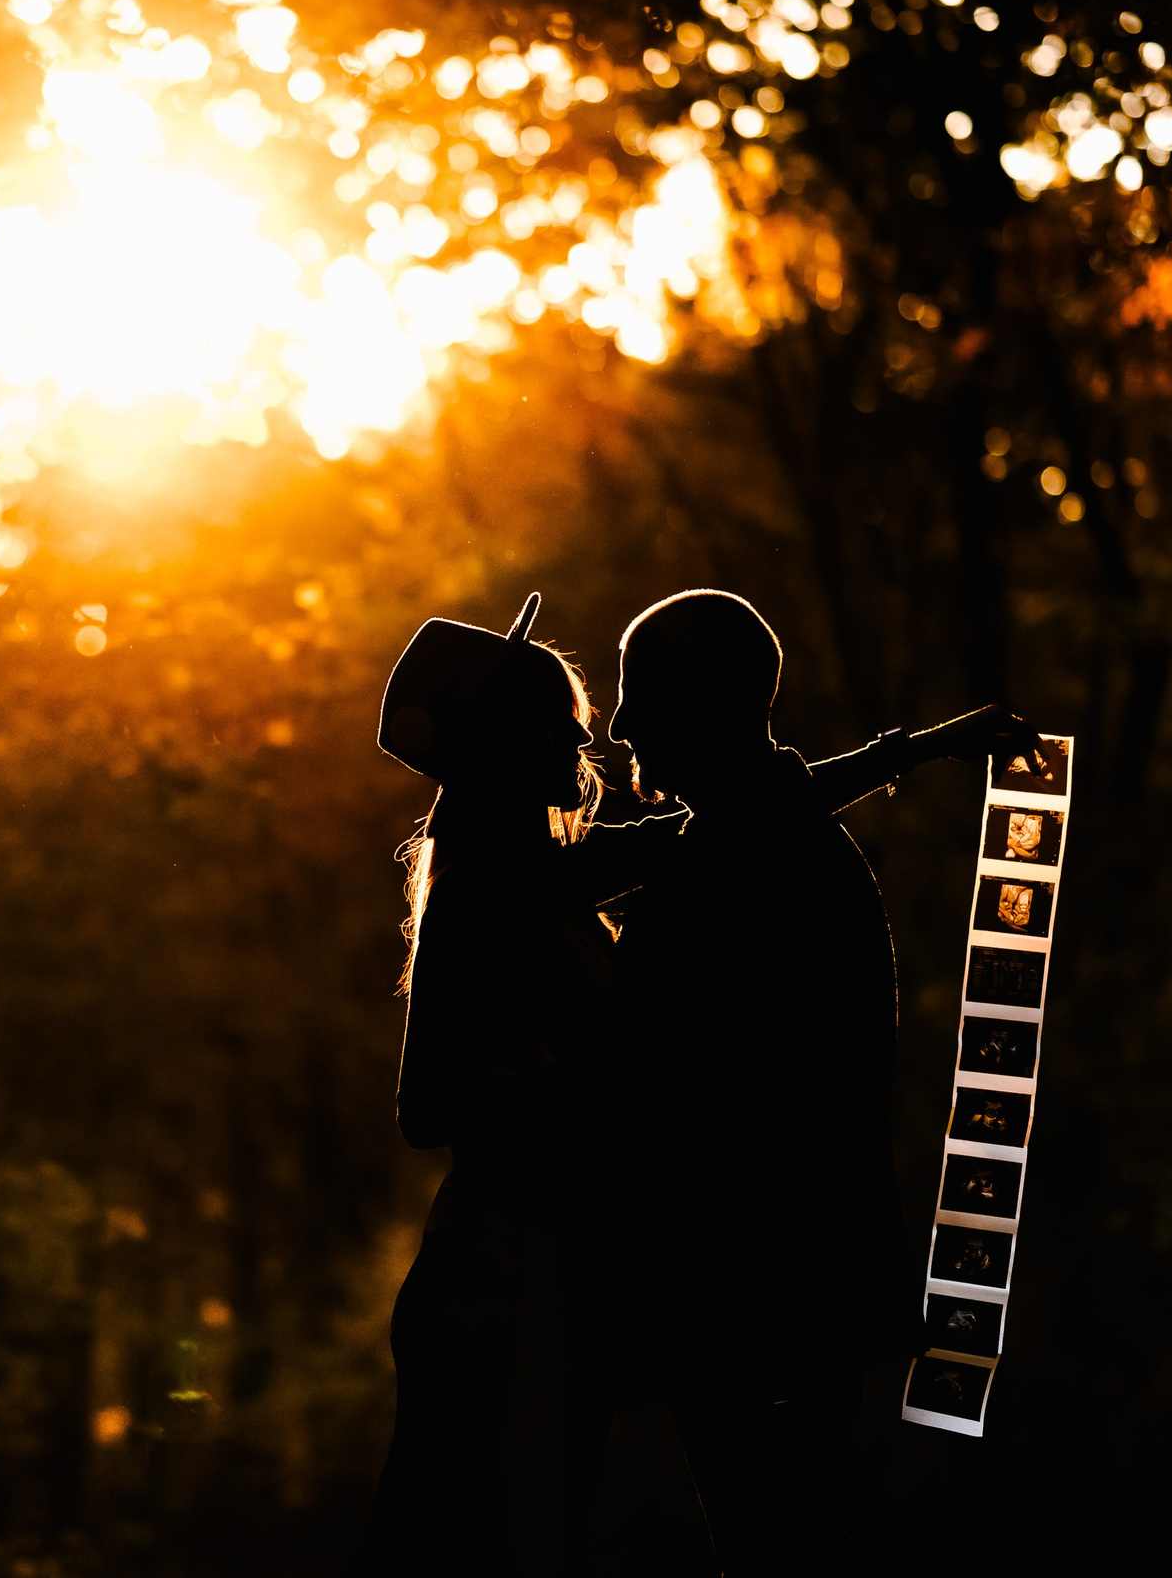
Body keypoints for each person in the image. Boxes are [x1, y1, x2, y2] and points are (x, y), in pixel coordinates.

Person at [567, 589, 1046, 1563]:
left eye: (639, 691)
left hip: (752, 1298)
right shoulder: (756, 838)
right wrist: (901, 751)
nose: (616, 726)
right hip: (797, 1293)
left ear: (708, 698)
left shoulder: (734, 861)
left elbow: (652, 1073)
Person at [354, 594, 617, 1577]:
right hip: (493, 1292)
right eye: (561, 728)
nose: (581, 752)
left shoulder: (537, 872)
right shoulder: (487, 888)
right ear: (514, 744)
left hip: (531, 1281)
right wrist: (591, 1096)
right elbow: (425, 1107)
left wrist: (906, 751)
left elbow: (724, 821)